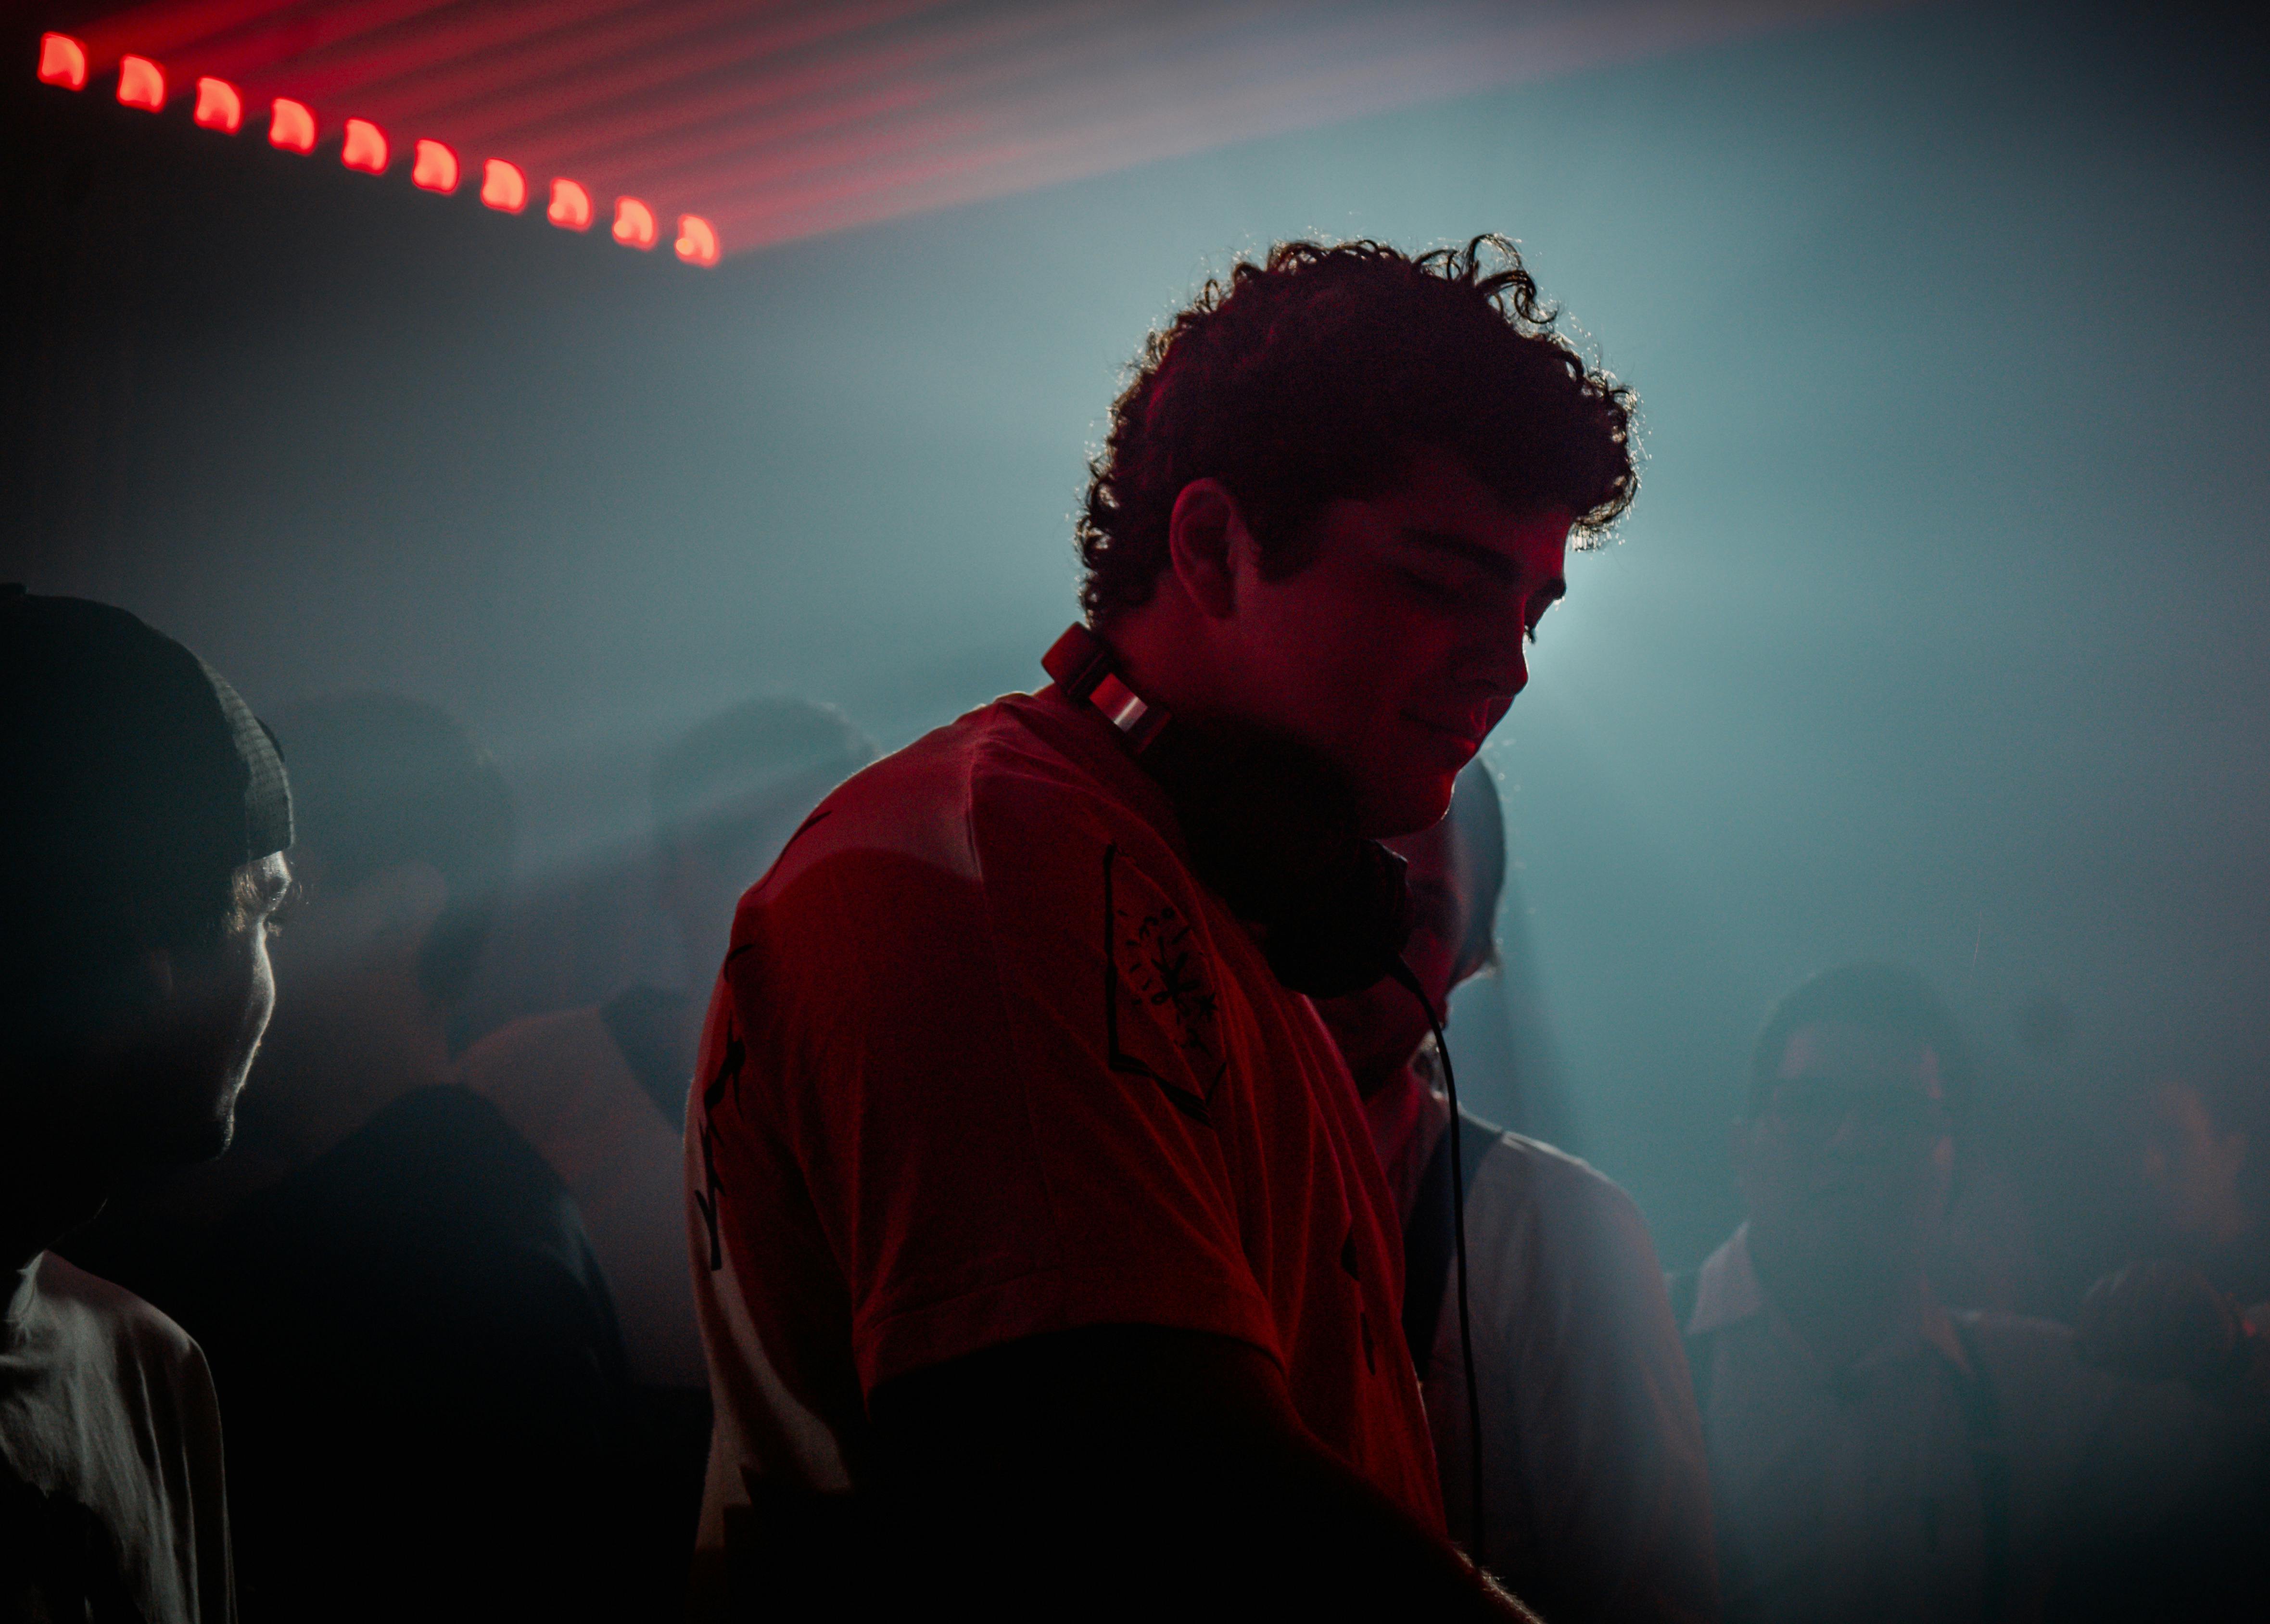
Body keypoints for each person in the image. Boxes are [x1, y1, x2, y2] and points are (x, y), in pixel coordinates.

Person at [685, 237, 1636, 1618]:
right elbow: (1141, 1496)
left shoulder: (1186, 897)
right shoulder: (998, 872)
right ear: (1209, 546)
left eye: (1532, 605)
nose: (1511, 663)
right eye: (1441, 582)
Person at [73, 693, 641, 1621]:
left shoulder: (466, 1265)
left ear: (394, 914)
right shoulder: (380, 1209)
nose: (187, 953)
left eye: (254, 900)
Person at [1679, 965, 2270, 1623]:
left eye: (1898, 1112)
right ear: (1743, 1150)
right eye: (1810, 1105)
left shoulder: (2037, 1386)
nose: (1851, 1139)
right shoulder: (1612, 1353)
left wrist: (2232, 1351)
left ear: (1956, 1166)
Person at [1315, 761, 1722, 1624]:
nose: (1361, 940)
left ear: (1467, 967)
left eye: (1416, 914)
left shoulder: (1560, 1229)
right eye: (1339, 883)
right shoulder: (1147, 1143)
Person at [0, 588, 290, 1623]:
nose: (270, 983)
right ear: (149, 950)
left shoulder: (153, 1370)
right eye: (266, 914)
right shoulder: (139, 1367)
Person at [462, 698, 877, 1389]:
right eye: (739, 843)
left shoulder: (911, 1109)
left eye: (814, 846)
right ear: (665, 869)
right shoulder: (516, 1085)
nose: (778, 884)